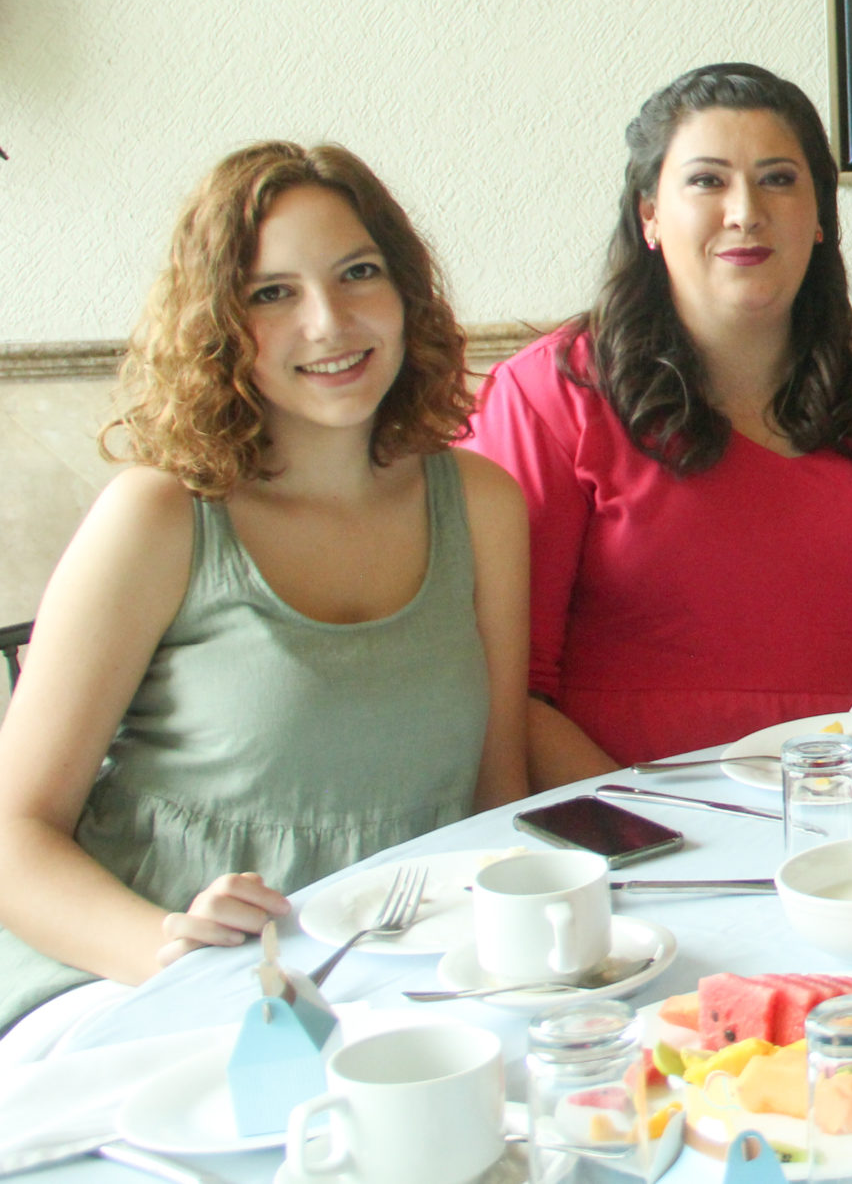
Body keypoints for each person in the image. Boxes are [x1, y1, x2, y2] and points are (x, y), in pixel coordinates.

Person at [0, 144, 530, 1039]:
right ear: (216, 322)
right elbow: (14, 836)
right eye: (270, 292)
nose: (329, 321)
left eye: (358, 273)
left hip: (389, 983)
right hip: (127, 980)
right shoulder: (161, 516)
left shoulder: (481, 506)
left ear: (406, 293)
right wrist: (172, 951)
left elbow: (495, 801)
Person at [467, 64, 852, 782]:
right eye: (707, 181)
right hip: (625, 847)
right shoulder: (547, 397)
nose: (745, 210)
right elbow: (506, 695)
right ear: (648, 216)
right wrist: (658, 835)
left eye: (778, 179)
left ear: (821, 215)